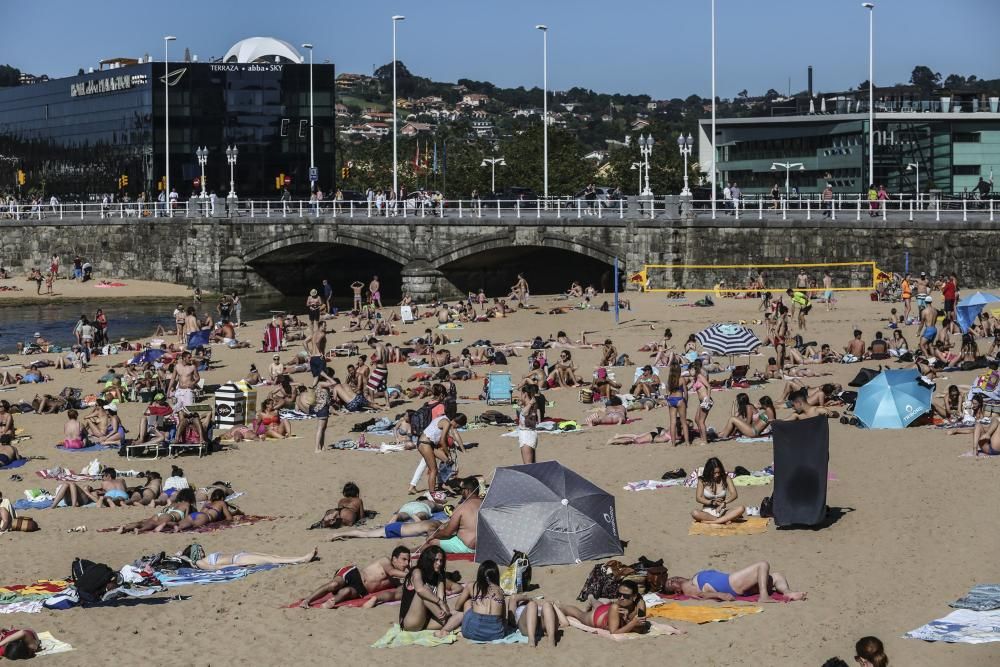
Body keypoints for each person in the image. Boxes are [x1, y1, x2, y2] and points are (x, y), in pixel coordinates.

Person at [299, 546, 410, 609]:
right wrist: (411, 573)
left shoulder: (397, 580)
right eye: (404, 559)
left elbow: (400, 591)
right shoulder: (386, 561)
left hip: (361, 589)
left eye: (408, 561)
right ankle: (307, 600)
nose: (406, 563)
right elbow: (391, 572)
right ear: (394, 559)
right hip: (354, 574)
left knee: (346, 591)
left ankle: (330, 603)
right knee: (334, 585)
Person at [434, 560, 510, 640]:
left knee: (467, 602)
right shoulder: (500, 591)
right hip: (496, 634)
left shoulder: (472, 585)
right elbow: (503, 617)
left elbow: (457, 607)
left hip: (473, 632)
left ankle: (444, 630)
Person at [662, 561, 806, 602]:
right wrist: (720, 595)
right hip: (730, 583)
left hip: (732, 582)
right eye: (671, 583)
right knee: (762, 565)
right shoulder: (686, 587)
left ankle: (788, 593)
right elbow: (700, 595)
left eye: (672, 577)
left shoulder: (691, 578)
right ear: (676, 591)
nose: (673, 579)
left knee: (776, 576)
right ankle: (764, 596)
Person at [554, 580, 649, 635]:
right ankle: (561, 606)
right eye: (619, 594)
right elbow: (614, 632)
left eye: (626, 596)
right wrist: (632, 623)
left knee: (600, 605)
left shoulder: (640, 604)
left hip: (606, 610)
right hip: (598, 618)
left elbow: (641, 629)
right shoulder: (616, 606)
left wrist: (628, 620)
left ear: (635, 596)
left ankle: (592, 599)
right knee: (579, 614)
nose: (621, 598)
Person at [398, 546, 453, 631]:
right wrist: (440, 602)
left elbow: (441, 597)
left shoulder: (439, 576)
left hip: (427, 621)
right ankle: (446, 620)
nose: (439, 563)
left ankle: (446, 620)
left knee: (460, 614)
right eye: (436, 560)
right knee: (425, 592)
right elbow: (420, 590)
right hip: (410, 622)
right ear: (428, 560)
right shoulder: (417, 572)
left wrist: (443, 608)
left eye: (441, 560)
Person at [425, 476, 480, 554]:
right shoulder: (486, 504)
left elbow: (447, 533)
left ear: (467, 490)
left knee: (432, 542)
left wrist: (434, 535)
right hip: (482, 546)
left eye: (461, 489)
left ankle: (413, 552)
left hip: (467, 547)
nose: (460, 492)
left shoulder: (462, 507)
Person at [415, 414, 467, 495]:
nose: (456, 428)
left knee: (447, 461)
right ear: (457, 424)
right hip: (424, 443)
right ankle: (432, 493)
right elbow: (442, 441)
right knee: (433, 470)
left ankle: (442, 484)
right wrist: (448, 453)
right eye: (458, 426)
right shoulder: (446, 423)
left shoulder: (445, 418)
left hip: (430, 444)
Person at [183, 544, 317, 571]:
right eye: (198, 549)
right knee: (273, 560)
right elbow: (215, 568)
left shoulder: (201, 559)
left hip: (240, 555)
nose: (201, 550)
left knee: (274, 556)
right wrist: (233, 566)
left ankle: (300, 557)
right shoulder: (200, 562)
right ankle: (302, 559)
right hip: (238, 560)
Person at [691, 457, 745, 524]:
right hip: (707, 512)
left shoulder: (726, 478)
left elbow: (734, 494)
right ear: (709, 471)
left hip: (722, 511)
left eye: (719, 472)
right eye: (714, 473)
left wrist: (724, 503)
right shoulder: (702, 480)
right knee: (694, 513)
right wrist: (712, 502)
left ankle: (715, 521)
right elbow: (698, 498)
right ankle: (721, 520)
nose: (717, 475)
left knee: (741, 508)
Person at [517, 384, 540, 464]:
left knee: (528, 466)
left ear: (525, 394)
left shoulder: (530, 405)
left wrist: (528, 404)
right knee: (532, 464)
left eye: (521, 394)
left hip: (526, 435)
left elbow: (524, 413)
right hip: (531, 434)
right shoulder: (532, 403)